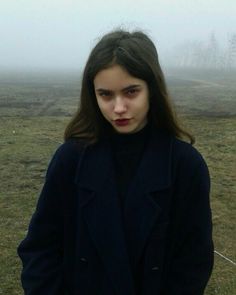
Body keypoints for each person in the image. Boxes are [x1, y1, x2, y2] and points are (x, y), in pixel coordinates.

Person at [17, 29, 214, 295]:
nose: (118, 107)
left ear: (152, 90)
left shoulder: (186, 166)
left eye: (131, 92)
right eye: (106, 95)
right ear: (93, 95)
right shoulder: (70, 160)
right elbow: (40, 247)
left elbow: (193, 262)